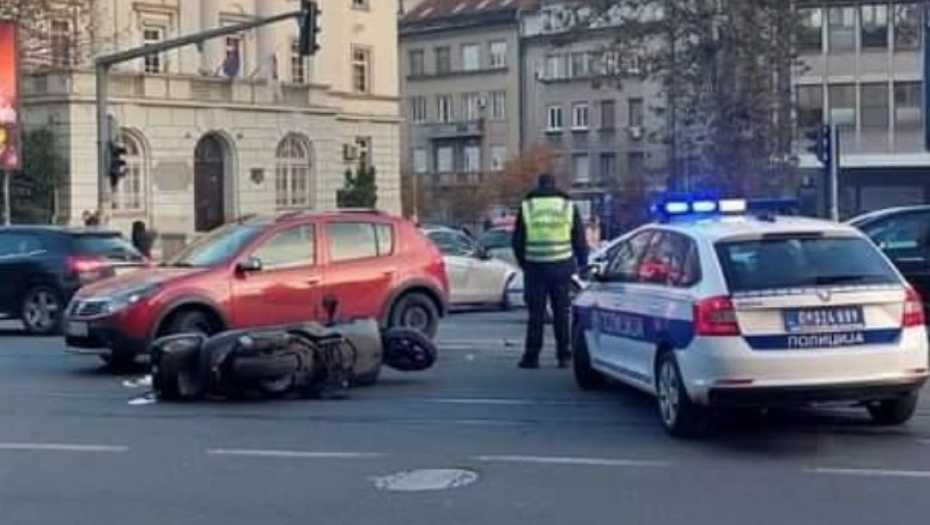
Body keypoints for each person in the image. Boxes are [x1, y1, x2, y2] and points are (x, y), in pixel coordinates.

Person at [511, 173, 588, 369]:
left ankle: (531, 357)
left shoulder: (528, 206)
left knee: (536, 314)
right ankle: (564, 356)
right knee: (561, 312)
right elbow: (579, 237)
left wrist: (524, 262)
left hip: (535, 266)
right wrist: (582, 263)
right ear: (554, 185)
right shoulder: (566, 205)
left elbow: (517, 240)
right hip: (562, 265)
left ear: (539, 185)